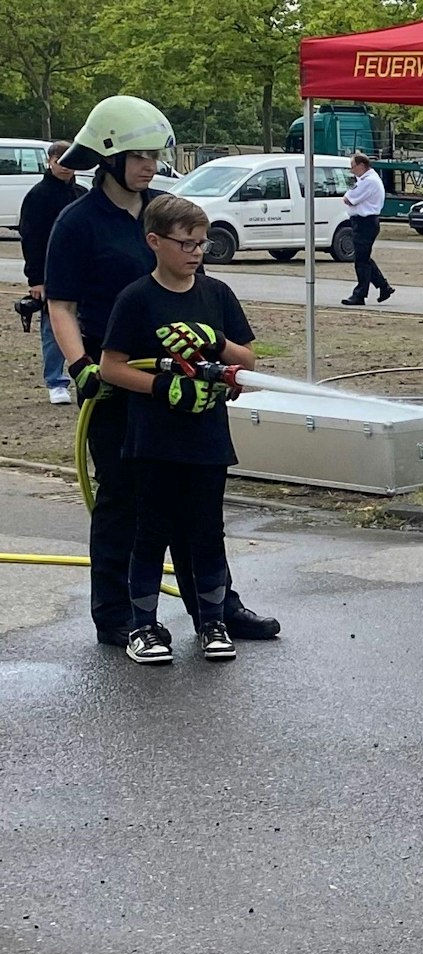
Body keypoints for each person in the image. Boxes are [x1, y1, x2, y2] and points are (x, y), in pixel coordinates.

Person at [45, 94, 280, 647]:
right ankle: (118, 614)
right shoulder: (78, 222)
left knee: (194, 502)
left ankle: (216, 609)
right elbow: (62, 305)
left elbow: (195, 289)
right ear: (108, 158)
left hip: (184, 376)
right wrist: (80, 366)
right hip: (116, 377)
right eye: (139, 155)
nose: (150, 165)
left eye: (154, 155)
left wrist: (214, 359)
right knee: (124, 500)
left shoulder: (164, 212)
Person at [97, 194, 257, 663]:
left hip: (207, 439)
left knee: (207, 532)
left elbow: (247, 361)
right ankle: (143, 628)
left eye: (201, 243)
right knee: (151, 532)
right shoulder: (136, 299)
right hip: (154, 440)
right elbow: (111, 367)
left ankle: (212, 624)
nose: (196, 252)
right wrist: (162, 387)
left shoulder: (217, 294)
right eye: (186, 243)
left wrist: (217, 342)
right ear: (155, 241)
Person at [21, 139, 85, 404]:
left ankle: (86, 374)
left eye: (69, 161)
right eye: (59, 160)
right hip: (52, 273)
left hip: (83, 272)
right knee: (53, 327)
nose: (65, 166)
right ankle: (56, 381)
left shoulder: (83, 193)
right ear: (49, 161)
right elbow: (31, 238)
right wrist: (35, 279)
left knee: (87, 325)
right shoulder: (38, 196)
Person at [340, 152, 393, 306]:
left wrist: (349, 197)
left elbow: (348, 199)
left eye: (353, 167)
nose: (352, 170)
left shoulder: (368, 181)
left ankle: (360, 294)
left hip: (365, 222)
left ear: (362, 165)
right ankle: (384, 286)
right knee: (364, 258)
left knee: (361, 261)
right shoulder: (367, 179)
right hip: (363, 222)